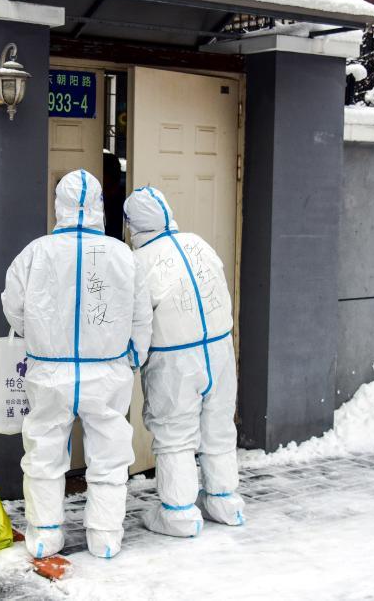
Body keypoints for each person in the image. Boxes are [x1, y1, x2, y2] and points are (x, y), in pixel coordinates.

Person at [2, 169, 152, 560]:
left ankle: (45, 533)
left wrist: (38, 338)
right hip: (107, 371)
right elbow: (141, 315)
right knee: (109, 455)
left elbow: (13, 306)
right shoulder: (123, 255)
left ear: (60, 205)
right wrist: (133, 356)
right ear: (100, 206)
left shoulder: (35, 253)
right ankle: (104, 536)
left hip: (50, 371)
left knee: (44, 452)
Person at [123, 186, 245, 538]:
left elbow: (139, 321)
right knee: (218, 427)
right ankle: (224, 501)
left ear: (134, 224)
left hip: (174, 359)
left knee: (175, 435)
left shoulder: (139, 262)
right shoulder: (198, 244)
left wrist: (132, 358)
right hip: (219, 350)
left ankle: (178, 514)